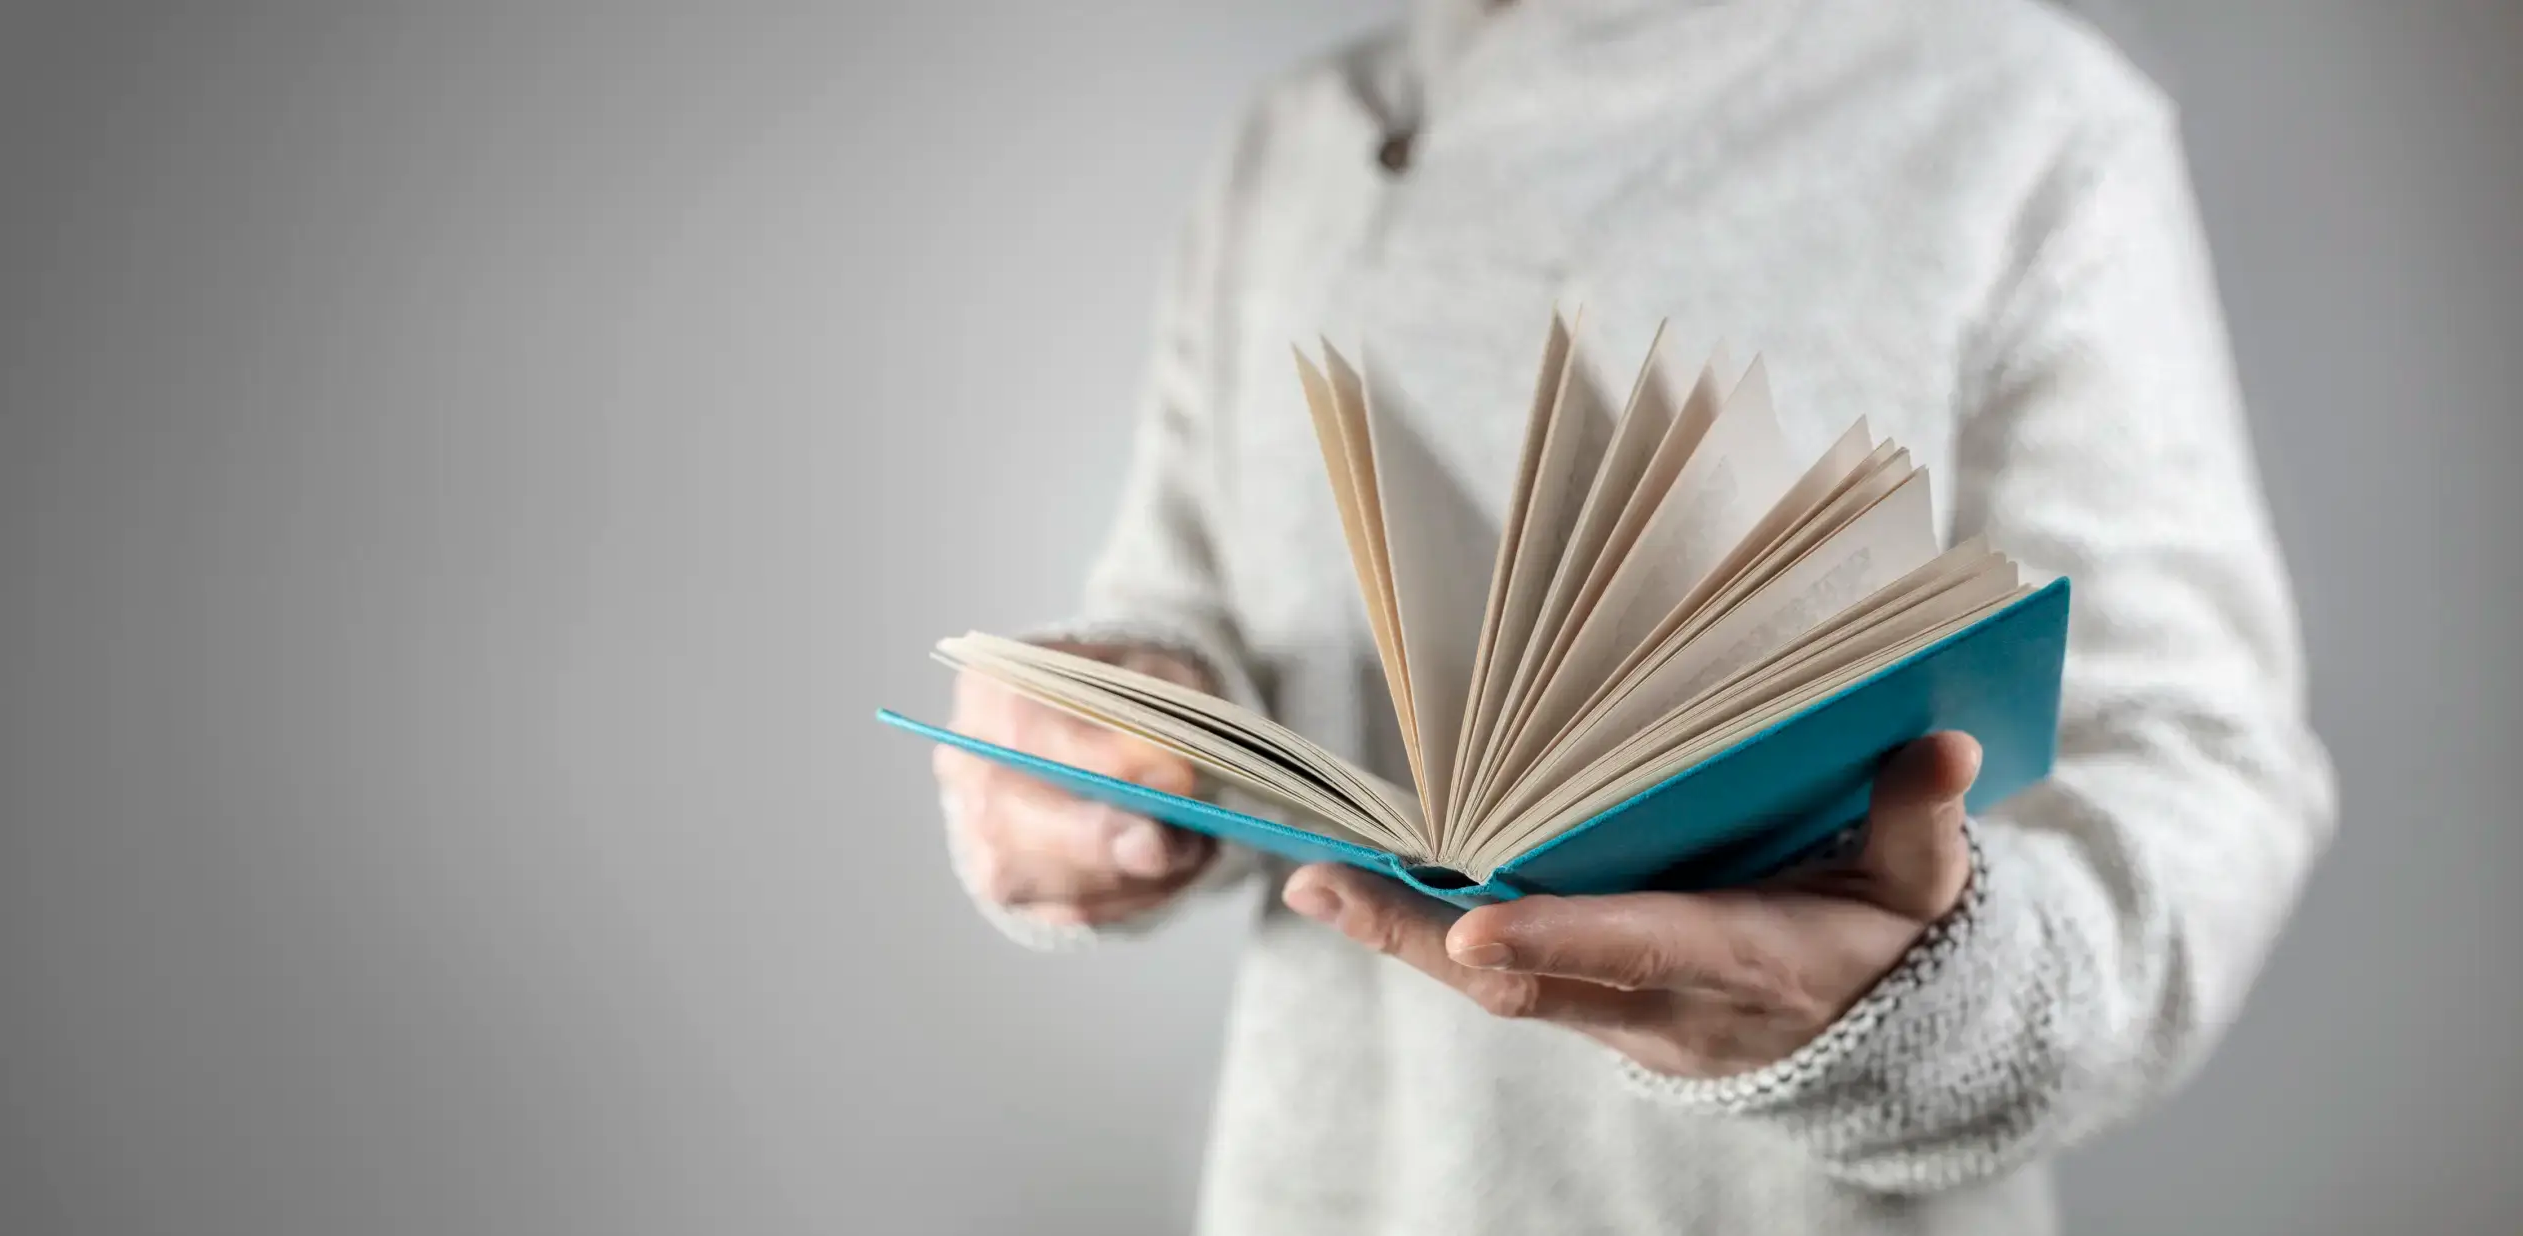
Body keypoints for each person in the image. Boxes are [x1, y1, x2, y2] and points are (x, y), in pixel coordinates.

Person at [932, 1, 2335, 1232]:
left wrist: (1924, 1005)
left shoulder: (2018, 110)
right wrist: (1111, 741)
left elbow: (2197, 758)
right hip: (1319, 1191)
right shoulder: (1290, 145)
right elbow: (1188, 611)